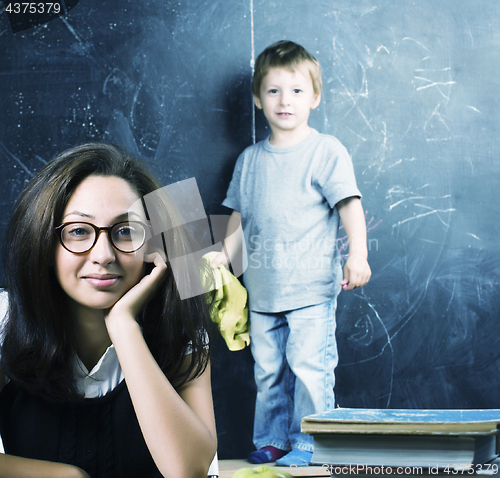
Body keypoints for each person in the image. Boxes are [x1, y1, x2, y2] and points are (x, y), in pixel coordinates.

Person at [0, 143, 218, 478]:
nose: (103, 255)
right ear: (43, 243)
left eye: (126, 231)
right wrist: (66, 477)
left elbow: (187, 470)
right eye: (78, 231)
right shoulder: (6, 320)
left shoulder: (181, 329)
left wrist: (124, 326)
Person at [210, 40, 371, 467]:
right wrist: (221, 261)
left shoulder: (325, 151)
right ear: (258, 99)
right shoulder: (249, 160)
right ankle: (272, 439)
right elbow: (237, 222)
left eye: (297, 91)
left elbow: (349, 206)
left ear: (315, 97)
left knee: (308, 370)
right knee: (268, 374)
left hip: (311, 288)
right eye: (274, 91)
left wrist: (359, 254)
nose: (285, 101)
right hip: (263, 292)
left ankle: (311, 442)